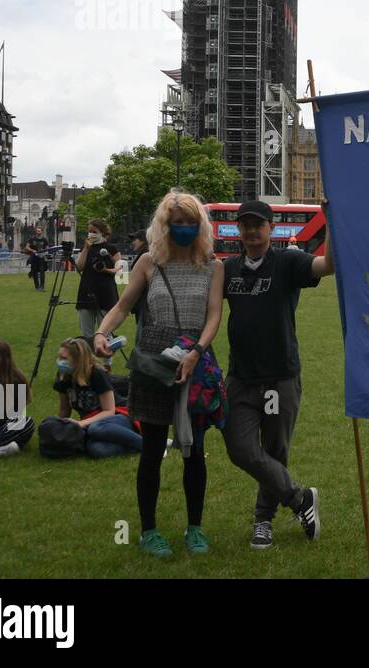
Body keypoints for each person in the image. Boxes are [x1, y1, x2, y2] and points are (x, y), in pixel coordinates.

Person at [93, 191, 224, 559]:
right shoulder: (149, 262)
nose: (183, 228)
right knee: (151, 450)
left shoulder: (213, 266)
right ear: (164, 226)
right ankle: (148, 530)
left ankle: (195, 527)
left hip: (196, 359)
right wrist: (101, 333)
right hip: (154, 360)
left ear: (200, 226)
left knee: (194, 450)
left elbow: (214, 314)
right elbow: (123, 306)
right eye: (176, 222)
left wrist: (197, 352)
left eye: (190, 222)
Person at [221, 200, 333, 549]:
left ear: (271, 228)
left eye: (258, 224)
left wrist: (333, 222)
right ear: (238, 229)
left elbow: (327, 266)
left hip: (279, 376)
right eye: (245, 225)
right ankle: (300, 499)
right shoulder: (228, 268)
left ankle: (263, 521)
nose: (252, 231)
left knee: (274, 449)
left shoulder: (287, 261)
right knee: (239, 448)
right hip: (241, 377)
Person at [54, 337, 142, 458]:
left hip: (120, 416)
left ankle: (148, 445)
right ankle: (132, 444)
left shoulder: (96, 374)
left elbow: (109, 411)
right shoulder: (63, 376)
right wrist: (59, 430)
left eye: (64, 358)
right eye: (59, 357)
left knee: (96, 428)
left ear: (78, 360)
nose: (60, 362)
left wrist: (81, 423)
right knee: (94, 449)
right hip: (93, 423)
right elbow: (64, 410)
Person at [75, 218, 122, 355]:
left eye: (94, 231)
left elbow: (121, 272)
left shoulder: (111, 249)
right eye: (89, 231)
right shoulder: (86, 247)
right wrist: (86, 249)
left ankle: (107, 362)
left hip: (106, 293)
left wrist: (105, 270)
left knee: (105, 332)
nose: (91, 234)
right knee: (86, 334)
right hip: (86, 291)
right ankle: (89, 362)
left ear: (102, 232)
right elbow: (79, 267)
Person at [23, 227, 50, 291]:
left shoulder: (44, 239)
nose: (38, 232)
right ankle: (37, 287)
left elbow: (47, 247)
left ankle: (42, 287)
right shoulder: (32, 239)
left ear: (42, 232)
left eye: (39, 231)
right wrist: (33, 250)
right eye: (37, 231)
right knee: (34, 272)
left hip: (41, 258)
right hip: (34, 258)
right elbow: (27, 247)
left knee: (42, 272)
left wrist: (44, 251)